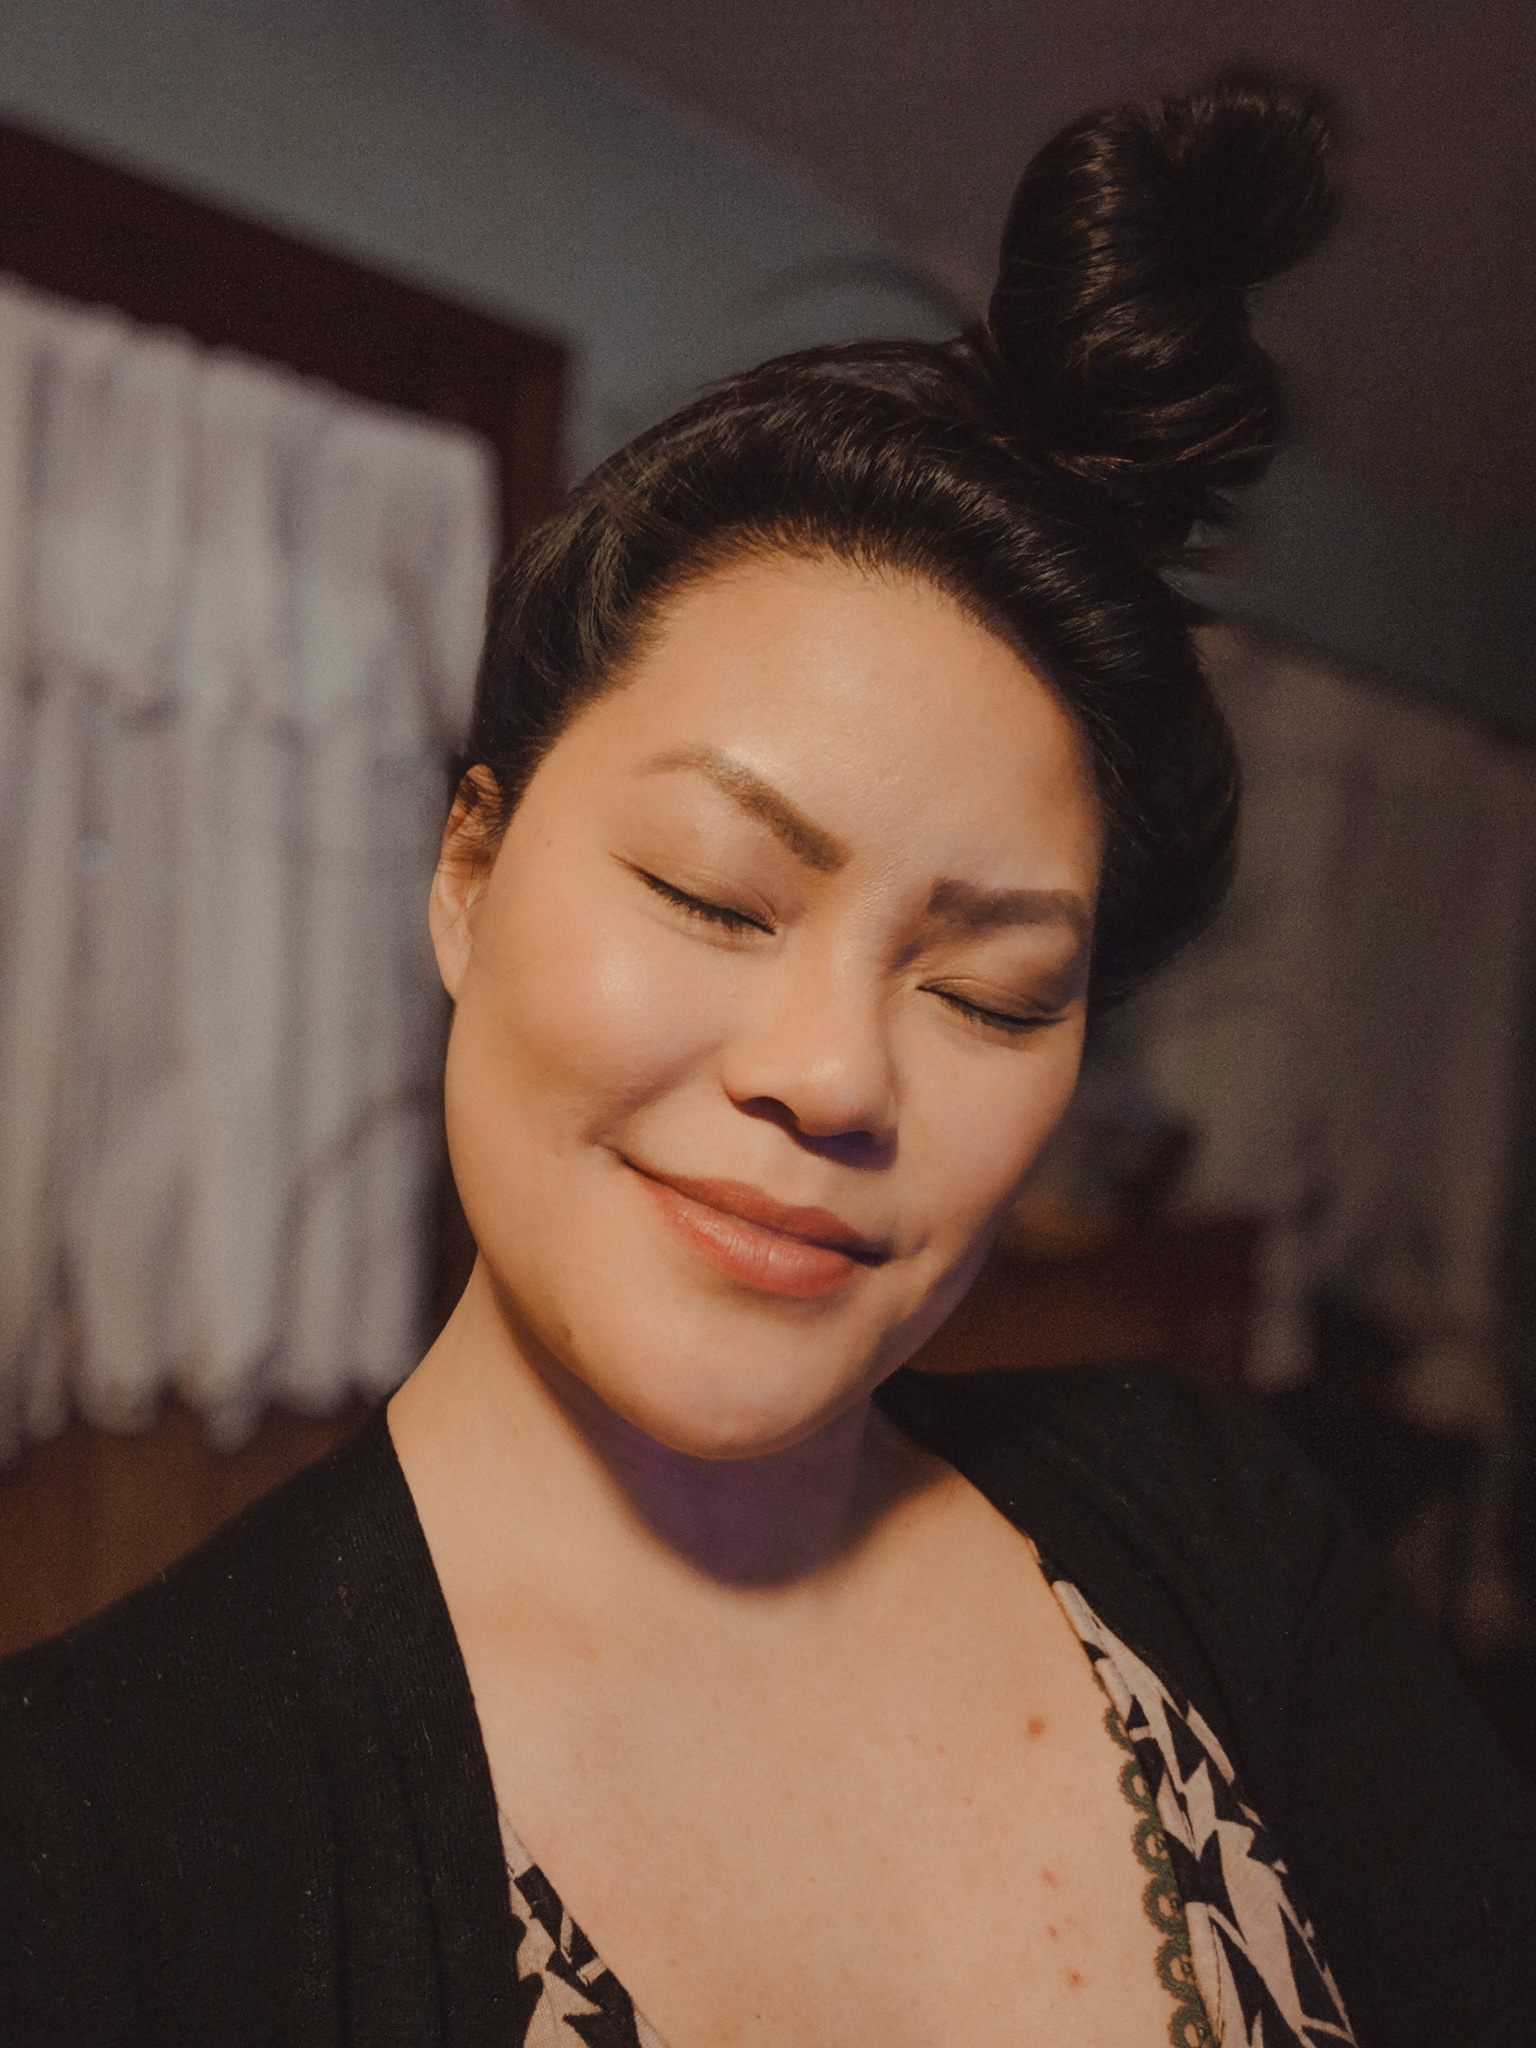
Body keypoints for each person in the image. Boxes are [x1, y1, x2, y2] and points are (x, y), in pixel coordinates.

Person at [2, 74, 1528, 2048]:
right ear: (468, 874)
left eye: (991, 991)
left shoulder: (1221, 1530)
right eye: (715, 894)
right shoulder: (90, 1857)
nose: (835, 1076)